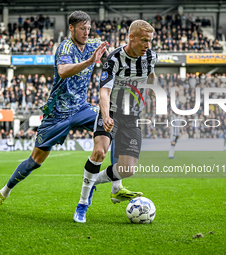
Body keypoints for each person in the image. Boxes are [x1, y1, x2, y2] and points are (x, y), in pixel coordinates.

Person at [0, 10, 108, 211]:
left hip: (82, 107)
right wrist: (89, 62)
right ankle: (4, 192)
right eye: (82, 28)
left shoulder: (95, 44)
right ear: (71, 28)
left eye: (88, 28)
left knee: (110, 126)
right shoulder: (65, 47)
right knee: (35, 161)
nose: (86, 32)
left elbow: (113, 58)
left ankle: (111, 185)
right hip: (57, 113)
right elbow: (63, 71)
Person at [74, 20, 158, 223]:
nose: (148, 45)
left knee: (127, 170)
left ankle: (93, 181)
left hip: (133, 116)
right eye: (144, 40)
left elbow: (151, 76)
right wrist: (105, 115)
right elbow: (104, 90)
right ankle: (83, 204)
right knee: (100, 151)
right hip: (111, 111)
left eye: (150, 41)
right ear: (132, 37)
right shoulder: (114, 59)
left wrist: (154, 95)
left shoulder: (150, 56)